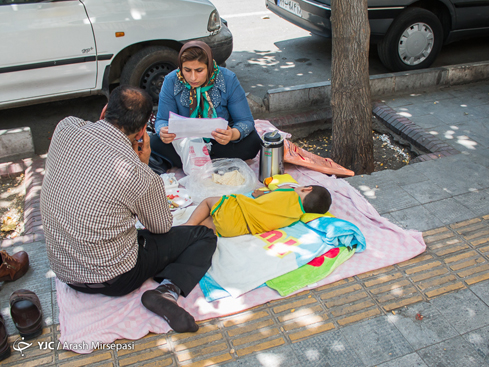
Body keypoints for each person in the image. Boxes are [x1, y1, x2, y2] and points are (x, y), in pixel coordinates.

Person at [40, 85, 217, 333]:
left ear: (104, 111)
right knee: (204, 235)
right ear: (143, 131)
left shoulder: (65, 128)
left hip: (64, 269)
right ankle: (167, 291)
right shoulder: (137, 174)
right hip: (115, 278)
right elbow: (161, 227)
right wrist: (143, 164)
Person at [149, 41, 262, 174]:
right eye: (187, 70)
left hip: (220, 143)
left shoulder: (227, 79)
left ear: (209, 67)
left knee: (253, 140)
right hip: (186, 144)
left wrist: (232, 134)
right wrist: (163, 131)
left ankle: (198, 163)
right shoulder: (171, 80)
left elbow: (246, 121)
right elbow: (162, 119)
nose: (193, 77)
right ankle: (215, 163)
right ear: (180, 67)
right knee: (154, 142)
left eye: (199, 70)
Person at [185, 184, 332, 237]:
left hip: (240, 210)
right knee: (211, 223)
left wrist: (261, 194)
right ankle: (190, 233)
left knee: (208, 202)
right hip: (236, 229)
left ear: (306, 189)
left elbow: (274, 192)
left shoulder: (289, 191)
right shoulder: (296, 216)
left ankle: (189, 225)